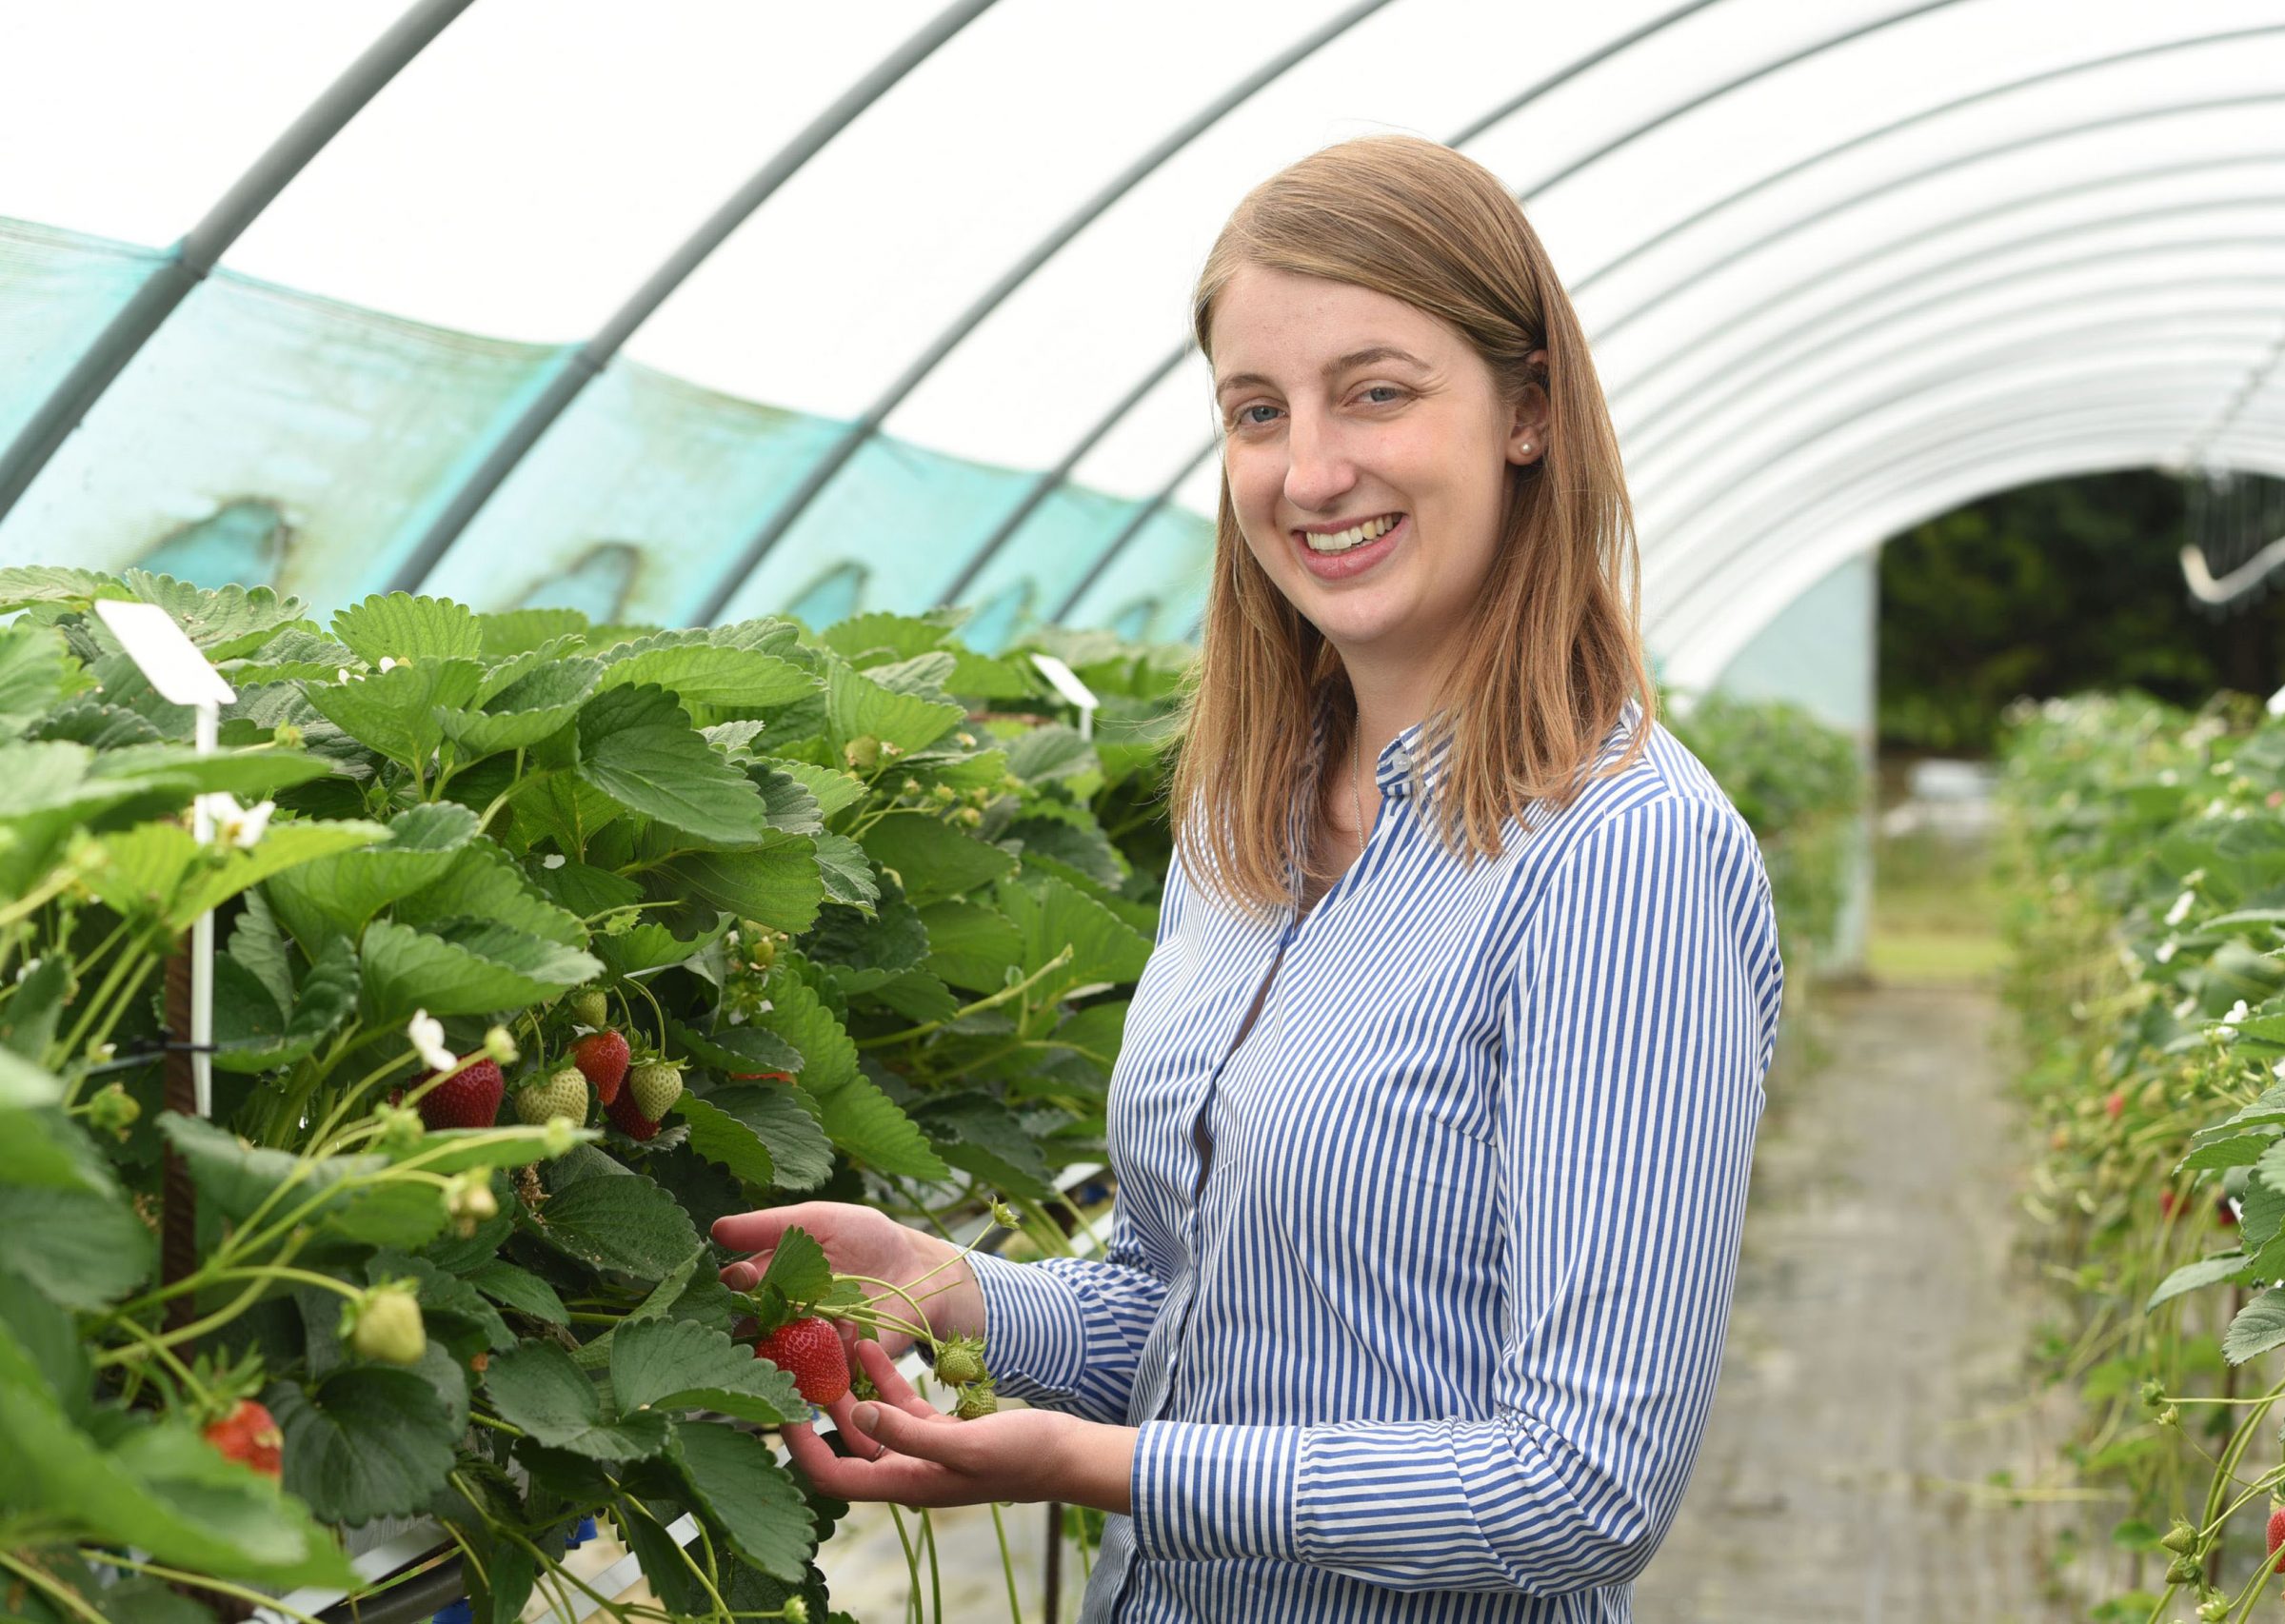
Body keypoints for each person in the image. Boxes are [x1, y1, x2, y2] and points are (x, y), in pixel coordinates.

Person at [711, 132, 1784, 1622]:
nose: (1311, 471)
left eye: (1379, 393)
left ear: (1529, 409)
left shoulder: (1623, 858)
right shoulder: (1245, 821)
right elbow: (1188, 1292)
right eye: (1257, 411)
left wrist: (1119, 1467)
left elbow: (1580, 1486)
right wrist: (952, 1284)